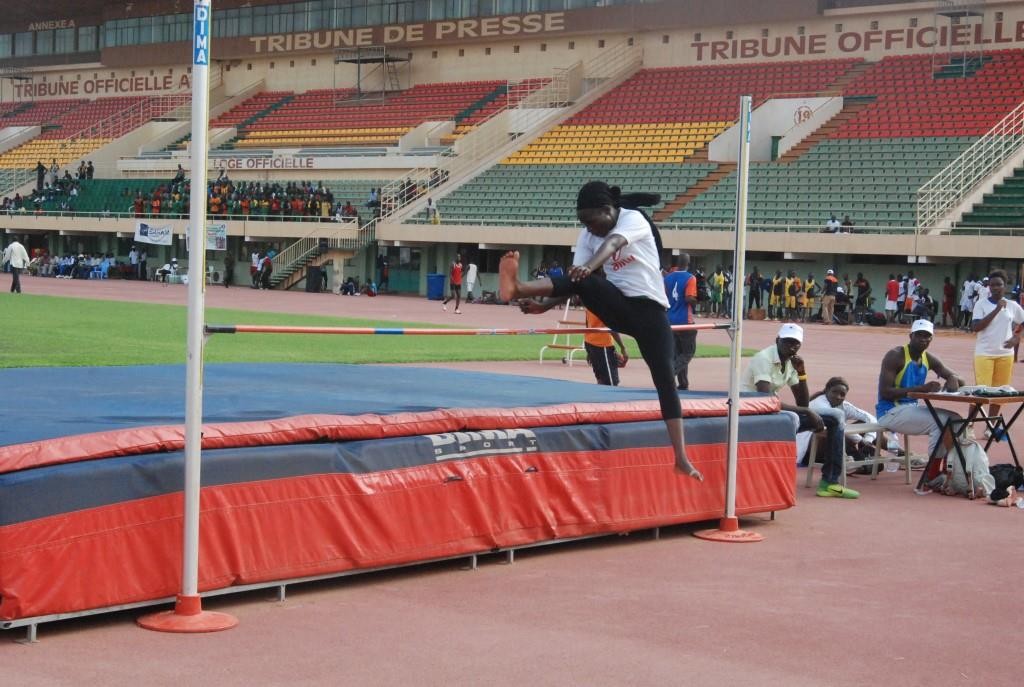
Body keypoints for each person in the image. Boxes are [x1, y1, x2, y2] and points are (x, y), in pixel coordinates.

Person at [498, 181, 702, 481]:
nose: (589, 229)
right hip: (617, 308)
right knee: (584, 278)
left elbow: (613, 244)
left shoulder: (632, 219)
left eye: (592, 222)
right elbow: (576, 279)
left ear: (609, 211)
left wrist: (591, 265)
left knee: (665, 380)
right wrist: (545, 306)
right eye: (583, 223)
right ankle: (518, 288)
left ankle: (681, 457)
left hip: (649, 313)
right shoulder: (588, 234)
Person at [741, 323, 856, 498]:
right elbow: (765, 400)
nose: (792, 346)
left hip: (771, 413)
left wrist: (802, 373)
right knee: (794, 418)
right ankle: (771, 478)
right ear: (778, 340)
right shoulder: (763, 358)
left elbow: (802, 401)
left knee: (837, 416)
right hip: (751, 412)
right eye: (788, 342)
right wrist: (807, 412)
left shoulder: (790, 363)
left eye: (796, 343)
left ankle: (829, 482)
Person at [876, 320, 964, 482]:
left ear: (931, 339)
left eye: (927, 336)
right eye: (919, 335)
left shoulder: (928, 358)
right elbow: (885, 392)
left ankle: (948, 467)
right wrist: (921, 389)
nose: (923, 339)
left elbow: (960, 379)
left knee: (956, 420)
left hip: (910, 410)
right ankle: (931, 474)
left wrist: (952, 377)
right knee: (940, 421)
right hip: (890, 411)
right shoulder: (896, 356)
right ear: (911, 336)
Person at [971, 270, 1024, 430]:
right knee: (980, 391)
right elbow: (976, 327)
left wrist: (1017, 337)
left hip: (1005, 355)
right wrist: (996, 310)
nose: (995, 288)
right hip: (984, 354)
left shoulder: (1013, 306)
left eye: (999, 284)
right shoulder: (981, 304)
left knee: (999, 392)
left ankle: (991, 426)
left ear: (1005, 286)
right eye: (992, 285)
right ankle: (969, 426)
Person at [795, 376, 882, 472]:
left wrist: (868, 439)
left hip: (830, 447)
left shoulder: (843, 405)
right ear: (827, 390)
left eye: (842, 394)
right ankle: (854, 460)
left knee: (866, 424)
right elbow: (839, 426)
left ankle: (897, 452)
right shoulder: (819, 404)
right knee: (832, 430)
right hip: (809, 451)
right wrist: (861, 440)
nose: (838, 396)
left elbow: (870, 418)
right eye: (834, 392)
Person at [664, 253, 698, 390]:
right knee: (688, 352)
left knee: (678, 353)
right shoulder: (690, 278)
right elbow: (689, 298)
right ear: (688, 263)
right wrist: (698, 300)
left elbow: (665, 297)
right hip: (685, 321)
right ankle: (669, 373)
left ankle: (683, 383)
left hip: (670, 320)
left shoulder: (667, 278)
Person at [583, 307, 628, 386]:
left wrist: (589, 350)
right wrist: (622, 347)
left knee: (600, 379)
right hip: (602, 345)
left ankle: (601, 397)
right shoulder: (603, 304)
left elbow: (587, 323)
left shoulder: (589, 302)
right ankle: (608, 398)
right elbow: (611, 327)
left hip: (590, 342)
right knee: (611, 382)